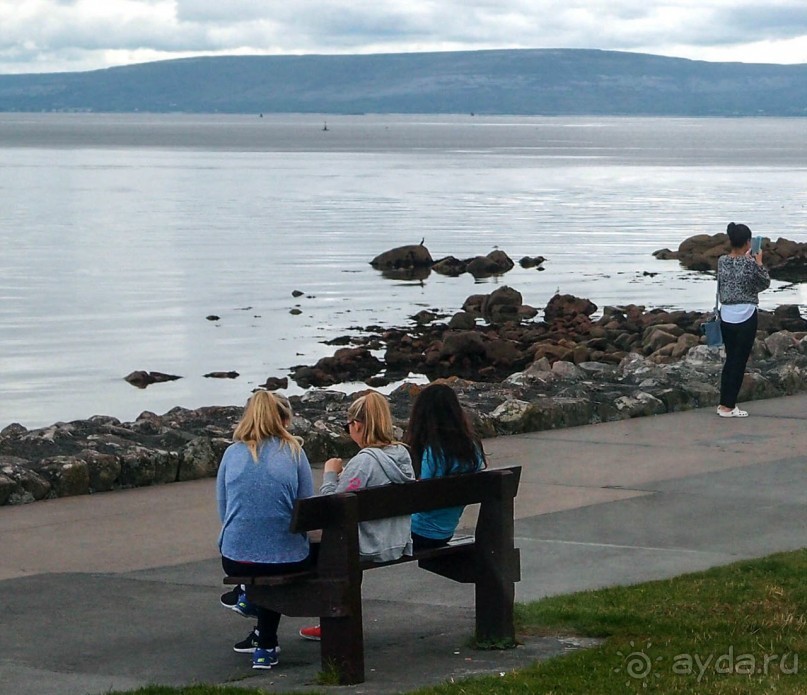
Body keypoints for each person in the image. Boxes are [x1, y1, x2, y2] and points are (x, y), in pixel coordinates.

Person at [298, 390, 415, 641]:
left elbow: (333, 507)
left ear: (357, 425)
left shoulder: (364, 462)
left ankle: (332, 617)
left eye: (348, 425)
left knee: (327, 543)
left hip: (368, 545)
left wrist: (330, 474)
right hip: (396, 542)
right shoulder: (402, 455)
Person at [217, 391, 315, 669]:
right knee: (279, 552)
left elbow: (224, 512)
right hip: (286, 558)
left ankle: (249, 597)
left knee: (260, 557)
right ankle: (265, 645)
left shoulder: (231, 453)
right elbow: (305, 509)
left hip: (235, 559)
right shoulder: (294, 451)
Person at [405, 383, 486, 550]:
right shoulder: (472, 447)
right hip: (446, 531)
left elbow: (421, 497)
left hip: (418, 533)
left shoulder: (434, 451)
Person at [716, 222, 770, 418]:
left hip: (726, 314)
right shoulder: (749, 263)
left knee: (730, 359)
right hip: (746, 314)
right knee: (739, 361)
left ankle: (724, 402)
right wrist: (759, 263)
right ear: (748, 242)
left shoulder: (722, 261)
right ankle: (728, 406)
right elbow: (764, 283)